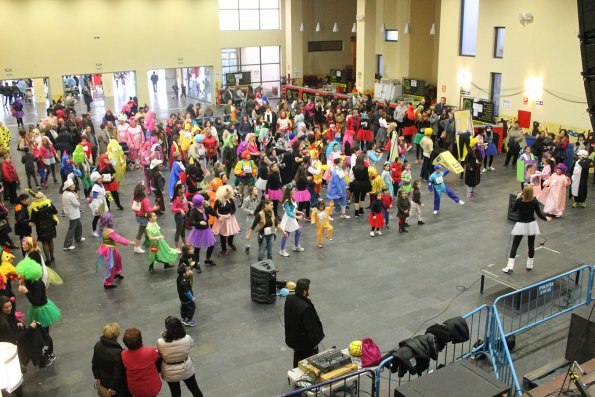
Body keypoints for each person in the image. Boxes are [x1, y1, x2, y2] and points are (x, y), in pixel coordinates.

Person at [15, 257, 60, 367]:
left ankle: (50, 354)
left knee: (45, 334)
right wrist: (22, 283)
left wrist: (26, 292)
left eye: (22, 274)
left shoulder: (38, 284)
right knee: (40, 333)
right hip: (37, 310)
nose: (20, 276)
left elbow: (36, 301)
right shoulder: (30, 281)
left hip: (42, 310)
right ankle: (45, 353)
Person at [502, 185, 551, 273]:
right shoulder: (534, 201)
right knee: (531, 245)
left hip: (521, 224)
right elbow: (539, 214)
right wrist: (546, 219)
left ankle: (510, 266)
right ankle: (529, 265)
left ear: (523, 192)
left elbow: (513, 210)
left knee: (515, 245)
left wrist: (517, 198)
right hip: (531, 224)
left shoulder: (519, 200)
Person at [157, 316, 204, 397]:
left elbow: (160, 352)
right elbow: (191, 345)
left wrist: (164, 335)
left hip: (169, 371)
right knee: (194, 389)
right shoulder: (187, 338)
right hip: (186, 368)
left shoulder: (160, 342)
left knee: (175, 393)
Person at [284, 278, 325, 368]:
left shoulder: (289, 298)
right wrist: (315, 343)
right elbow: (311, 328)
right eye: (308, 289)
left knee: (297, 358)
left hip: (294, 339)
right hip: (305, 344)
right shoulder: (306, 308)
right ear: (305, 291)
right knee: (308, 365)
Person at [92, 322, 130, 397]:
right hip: (117, 387)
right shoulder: (118, 353)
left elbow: (94, 363)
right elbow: (117, 374)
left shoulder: (98, 345)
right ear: (116, 336)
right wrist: (113, 388)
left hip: (103, 381)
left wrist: (97, 376)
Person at [121, 328, 162, 397]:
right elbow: (159, 356)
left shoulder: (123, 354)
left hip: (135, 388)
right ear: (140, 339)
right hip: (152, 387)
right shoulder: (150, 352)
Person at [97, 212, 131, 289]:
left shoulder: (102, 227)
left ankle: (116, 273)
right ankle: (107, 283)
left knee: (118, 259)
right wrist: (129, 242)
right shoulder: (109, 231)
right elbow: (118, 238)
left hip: (110, 248)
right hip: (110, 250)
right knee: (111, 265)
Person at [27, 190, 58, 265]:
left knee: (45, 242)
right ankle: (52, 256)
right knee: (50, 240)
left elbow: (33, 219)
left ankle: (48, 260)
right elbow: (55, 211)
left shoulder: (34, 206)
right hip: (50, 224)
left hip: (41, 227)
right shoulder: (48, 202)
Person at [187, 194, 217, 272]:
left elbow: (213, 213)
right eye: (202, 200)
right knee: (197, 248)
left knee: (211, 245)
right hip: (198, 232)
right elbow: (190, 222)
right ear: (198, 203)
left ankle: (207, 259)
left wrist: (209, 206)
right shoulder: (194, 211)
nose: (204, 201)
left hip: (207, 230)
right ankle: (197, 264)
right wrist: (199, 223)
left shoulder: (205, 208)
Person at [211, 185, 240, 257]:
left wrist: (230, 214)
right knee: (222, 235)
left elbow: (234, 209)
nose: (229, 194)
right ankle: (224, 249)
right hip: (221, 219)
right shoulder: (218, 201)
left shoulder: (231, 200)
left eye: (230, 193)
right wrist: (218, 217)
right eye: (228, 193)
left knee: (231, 233)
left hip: (230, 219)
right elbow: (214, 210)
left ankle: (230, 243)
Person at [131, 182, 159, 253]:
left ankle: (147, 242)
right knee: (141, 232)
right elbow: (147, 210)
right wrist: (154, 208)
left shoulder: (134, 198)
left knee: (146, 231)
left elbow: (134, 208)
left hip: (138, 216)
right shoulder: (144, 200)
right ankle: (136, 247)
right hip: (144, 218)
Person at [279, 186, 304, 257]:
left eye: (295, 189)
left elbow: (293, 209)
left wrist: (299, 212)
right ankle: (282, 250)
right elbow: (288, 212)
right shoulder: (287, 201)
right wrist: (297, 216)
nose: (295, 191)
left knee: (298, 231)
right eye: (293, 190)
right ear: (289, 191)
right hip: (288, 219)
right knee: (286, 234)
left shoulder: (291, 198)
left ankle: (296, 246)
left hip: (292, 218)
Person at [61, 178, 85, 251]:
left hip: (71, 212)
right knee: (72, 229)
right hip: (73, 213)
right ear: (69, 187)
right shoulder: (70, 195)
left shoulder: (65, 193)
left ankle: (78, 238)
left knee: (79, 225)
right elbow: (77, 204)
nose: (74, 186)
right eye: (72, 185)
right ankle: (67, 245)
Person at [177, 253, 197, 326]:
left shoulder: (179, 278)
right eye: (187, 271)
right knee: (191, 308)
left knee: (183, 308)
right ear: (184, 273)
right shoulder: (184, 281)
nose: (189, 271)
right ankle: (188, 320)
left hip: (182, 298)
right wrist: (191, 298)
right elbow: (187, 291)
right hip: (187, 299)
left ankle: (183, 318)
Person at [241, 186, 260, 255]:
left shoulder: (257, 197)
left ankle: (262, 243)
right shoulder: (247, 199)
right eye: (255, 189)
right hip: (250, 218)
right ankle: (247, 246)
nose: (257, 190)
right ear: (251, 192)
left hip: (257, 217)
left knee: (261, 229)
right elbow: (243, 208)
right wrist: (251, 211)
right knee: (249, 231)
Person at [171, 183, 189, 253]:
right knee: (178, 231)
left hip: (184, 214)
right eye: (182, 187)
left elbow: (184, 203)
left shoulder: (183, 195)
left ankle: (184, 242)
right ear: (179, 189)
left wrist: (189, 203)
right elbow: (172, 208)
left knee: (183, 230)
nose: (184, 188)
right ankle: (176, 247)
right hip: (179, 216)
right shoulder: (177, 198)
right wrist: (180, 210)